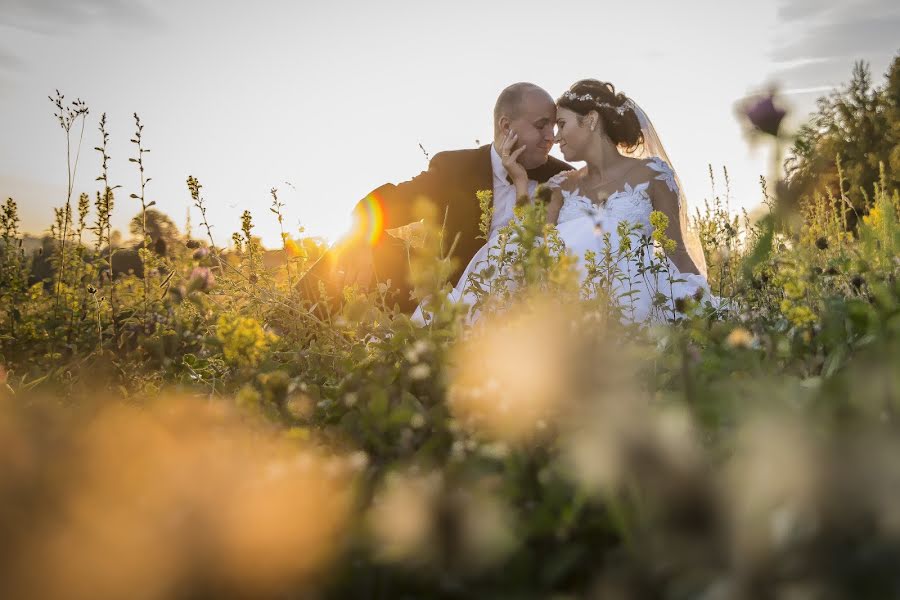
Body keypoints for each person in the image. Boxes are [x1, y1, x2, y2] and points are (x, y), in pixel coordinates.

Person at [425, 79, 716, 324]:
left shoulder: (652, 174)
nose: (554, 137)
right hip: (570, 306)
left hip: (636, 294)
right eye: (551, 127)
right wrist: (521, 183)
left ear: (590, 121)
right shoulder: (561, 185)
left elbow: (675, 250)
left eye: (561, 125)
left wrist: (703, 301)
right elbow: (525, 244)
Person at [299, 83, 571, 314]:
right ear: (505, 126)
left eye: (554, 126)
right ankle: (280, 337)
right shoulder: (455, 168)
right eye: (541, 126)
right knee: (351, 248)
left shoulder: (563, 178)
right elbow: (393, 199)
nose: (552, 137)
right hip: (446, 296)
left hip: (526, 303)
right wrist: (359, 239)